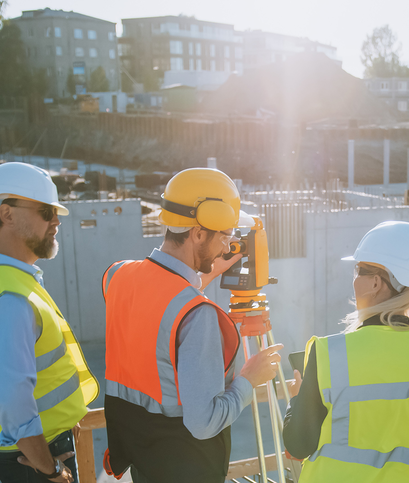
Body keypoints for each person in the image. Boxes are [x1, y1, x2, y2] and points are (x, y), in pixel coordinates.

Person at [101, 168, 285, 482]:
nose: (228, 248)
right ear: (198, 233)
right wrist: (248, 380)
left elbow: (155, 303)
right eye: (224, 236)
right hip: (186, 467)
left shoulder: (116, 276)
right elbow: (204, 423)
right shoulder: (198, 315)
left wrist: (200, 278)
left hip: (142, 462)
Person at [283, 221, 409, 482]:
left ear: (376, 282)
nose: (354, 280)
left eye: (358, 271)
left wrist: (297, 399)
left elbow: (298, 445)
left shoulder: (329, 353)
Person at [0, 162, 98, 483]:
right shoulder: (10, 298)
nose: (55, 221)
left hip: (38, 445)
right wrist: (49, 469)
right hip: (35, 459)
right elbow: (12, 401)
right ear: (7, 214)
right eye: (44, 211)